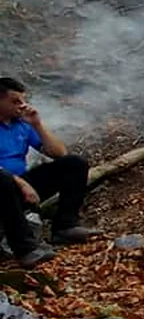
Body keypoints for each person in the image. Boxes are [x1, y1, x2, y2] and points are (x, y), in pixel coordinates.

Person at [0, 77, 100, 268]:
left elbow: (59, 153)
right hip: (3, 186)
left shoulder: (20, 125)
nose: (21, 106)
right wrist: (19, 183)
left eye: (23, 100)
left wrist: (36, 124)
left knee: (74, 164)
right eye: (15, 101)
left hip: (17, 188)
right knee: (3, 179)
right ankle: (25, 249)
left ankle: (65, 226)